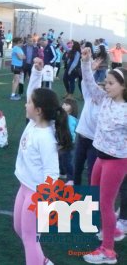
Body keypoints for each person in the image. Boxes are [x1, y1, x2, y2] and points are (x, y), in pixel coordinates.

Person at [14, 57, 72, 265]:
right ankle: (44, 262)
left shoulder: (46, 138)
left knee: (29, 238)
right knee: (20, 230)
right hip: (24, 186)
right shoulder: (32, 123)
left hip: (37, 193)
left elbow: (52, 172)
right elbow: (32, 92)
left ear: (38, 110)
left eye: (29, 102)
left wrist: (45, 198)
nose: (26, 103)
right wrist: (37, 73)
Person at [81, 48, 127, 264]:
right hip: (101, 157)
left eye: (110, 83)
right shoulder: (105, 100)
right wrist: (85, 61)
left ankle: (107, 251)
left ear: (123, 87)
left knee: (106, 203)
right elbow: (90, 84)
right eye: (106, 82)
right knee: (97, 197)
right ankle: (113, 231)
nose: (105, 86)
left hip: (116, 161)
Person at [73, 58, 102, 186]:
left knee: (92, 173)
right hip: (81, 138)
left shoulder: (105, 104)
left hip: (94, 143)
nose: (96, 91)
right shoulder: (89, 96)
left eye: (100, 90)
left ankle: (91, 201)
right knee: (76, 170)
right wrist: (91, 68)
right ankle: (74, 196)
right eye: (96, 88)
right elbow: (86, 81)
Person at [58, 96, 79, 185]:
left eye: (66, 104)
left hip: (67, 142)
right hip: (63, 141)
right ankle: (62, 173)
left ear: (72, 108)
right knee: (61, 158)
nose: (63, 105)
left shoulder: (70, 119)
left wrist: (64, 142)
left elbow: (69, 131)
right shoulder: (63, 116)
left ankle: (71, 178)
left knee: (66, 160)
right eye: (63, 104)